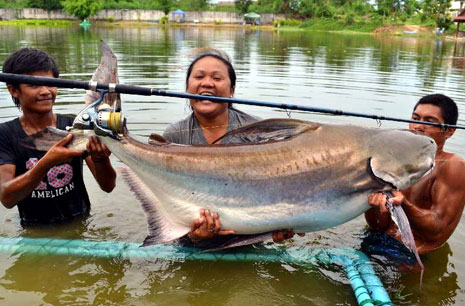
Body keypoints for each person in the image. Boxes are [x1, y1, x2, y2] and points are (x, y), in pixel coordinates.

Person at [163, 49, 302, 246]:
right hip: (190, 247)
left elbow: (279, 191)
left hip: (249, 243)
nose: (207, 83)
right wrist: (194, 236)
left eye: (217, 78)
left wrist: (278, 228)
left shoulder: (260, 132)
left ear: (231, 90)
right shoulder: (174, 136)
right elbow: (167, 206)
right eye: (199, 76)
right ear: (187, 88)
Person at [0, 48, 116, 226]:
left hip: (81, 223)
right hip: (33, 229)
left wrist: (101, 160)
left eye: (50, 84)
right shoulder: (6, 134)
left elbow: (108, 186)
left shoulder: (75, 126)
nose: (46, 91)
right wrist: (47, 163)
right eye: (34, 85)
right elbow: (6, 198)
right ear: (14, 90)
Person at [365, 94, 465, 255]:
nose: (418, 126)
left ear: (449, 131)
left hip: (412, 256)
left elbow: (437, 230)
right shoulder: (397, 159)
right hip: (374, 240)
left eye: (429, 122)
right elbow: (377, 225)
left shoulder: (454, 166)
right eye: (415, 118)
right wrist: (372, 205)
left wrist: (405, 205)